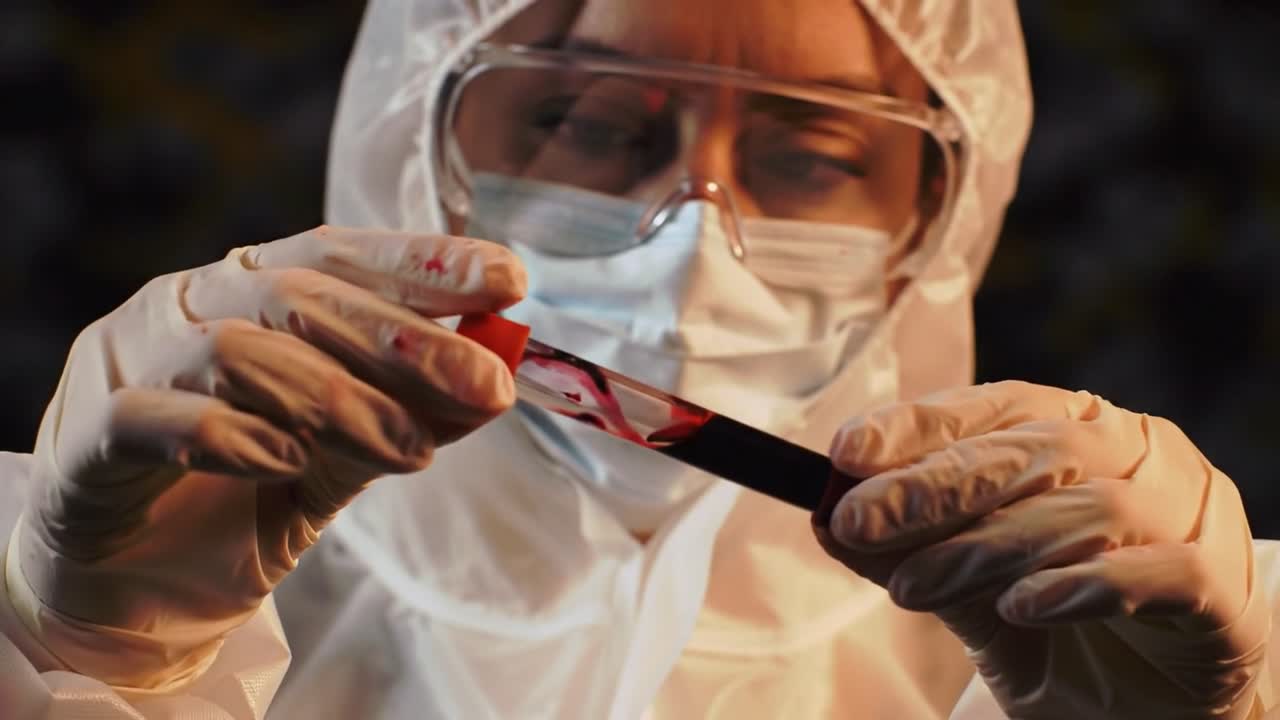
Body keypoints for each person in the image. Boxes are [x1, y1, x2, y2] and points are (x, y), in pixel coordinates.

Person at [1, 0, 1277, 717]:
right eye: (588, 120)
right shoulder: (137, 553)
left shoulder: (1116, 624)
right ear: (412, 142)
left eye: (815, 154)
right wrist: (101, 667)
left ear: (935, 221)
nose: (692, 232)